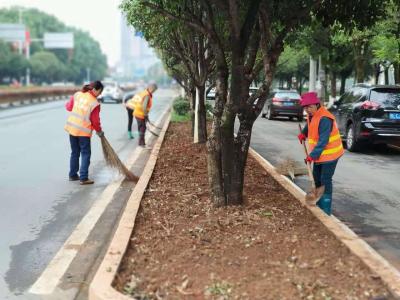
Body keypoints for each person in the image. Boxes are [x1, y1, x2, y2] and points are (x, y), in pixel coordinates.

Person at [297, 92, 344, 215]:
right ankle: (318, 202)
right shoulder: (312, 114)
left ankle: (326, 207)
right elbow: (311, 124)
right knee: (316, 177)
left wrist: (312, 156)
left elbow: (323, 141)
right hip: (319, 154)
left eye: (310, 107)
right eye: (305, 108)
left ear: (317, 105)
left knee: (325, 179)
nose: (307, 110)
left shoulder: (325, 118)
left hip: (331, 154)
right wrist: (304, 133)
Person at [64, 81, 104, 185]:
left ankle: (72, 175)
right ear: (95, 89)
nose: (99, 94)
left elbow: (68, 107)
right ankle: (83, 178)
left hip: (72, 129)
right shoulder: (94, 103)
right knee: (85, 153)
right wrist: (99, 132)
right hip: (83, 132)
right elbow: (95, 121)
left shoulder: (78, 94)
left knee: (75, 152)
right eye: (99, 92)